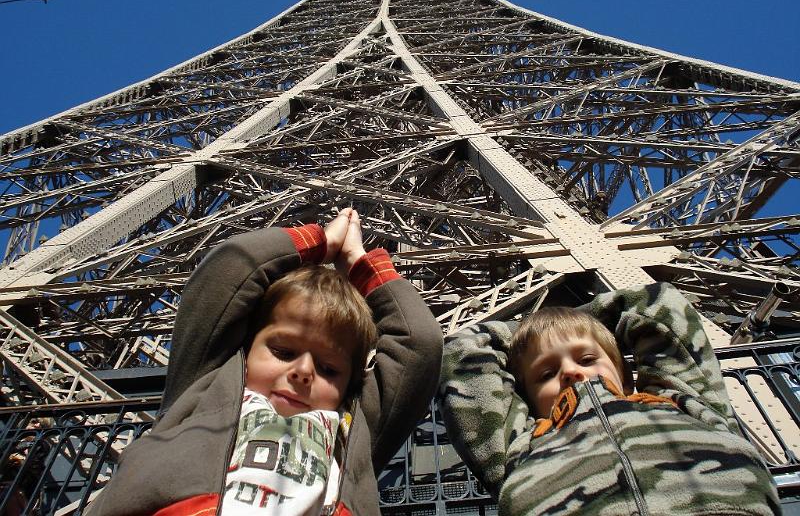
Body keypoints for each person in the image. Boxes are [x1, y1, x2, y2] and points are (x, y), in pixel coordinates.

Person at [87, 208, 443, 516]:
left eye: (329, 369)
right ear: (247, 345)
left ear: (349, 382)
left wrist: (359, 263)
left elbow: (420, 345)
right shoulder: (208, 387)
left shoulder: (353, 429)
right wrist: (319, 241)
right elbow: (229, 270)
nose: (303, 371)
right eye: (283, 352)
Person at [439, 282, 780, 515]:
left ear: (627, 373)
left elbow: (658, 303)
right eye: (545, 373)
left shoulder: (679, 402)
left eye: (586, 359)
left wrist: (558, 325)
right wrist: (533, 333)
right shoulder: (516, 449)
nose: (571, 371)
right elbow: (462, 353)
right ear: (523, 399)